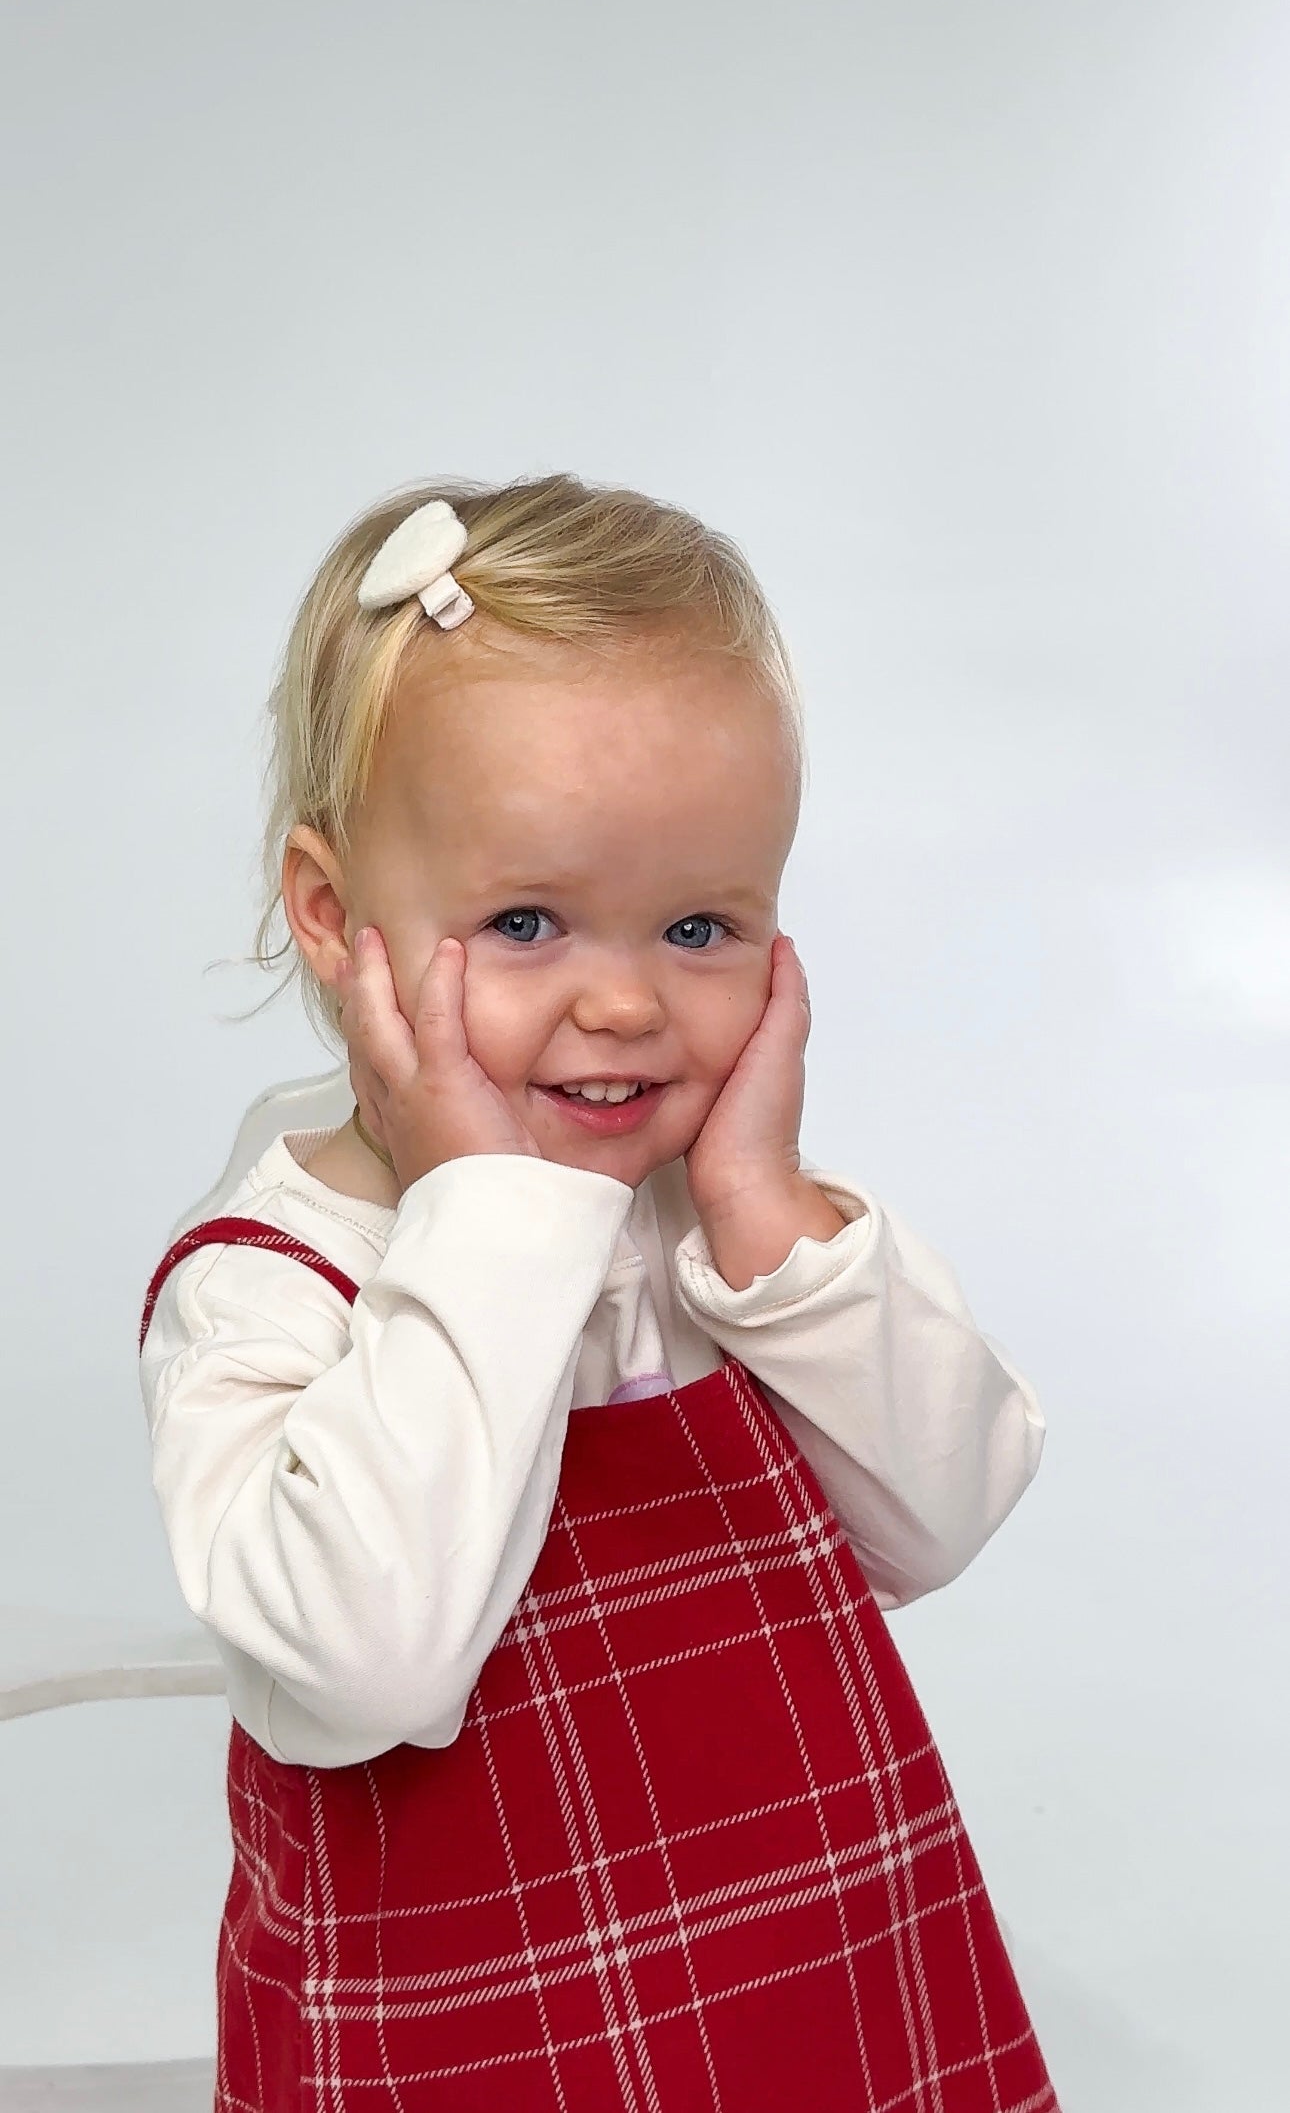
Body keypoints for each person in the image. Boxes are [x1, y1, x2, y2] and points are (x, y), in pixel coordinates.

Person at [137, 473, 1060, 2111]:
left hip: (800, 1972)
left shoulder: (708, 1236)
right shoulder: (267, 1284)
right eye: (526, 922)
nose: (624, 1001)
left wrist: (772, 1219)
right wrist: (490, 1216)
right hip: (473, 2022)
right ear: (336, 921)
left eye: (699, 926)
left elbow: (938, 1515)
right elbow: (362, 1673)